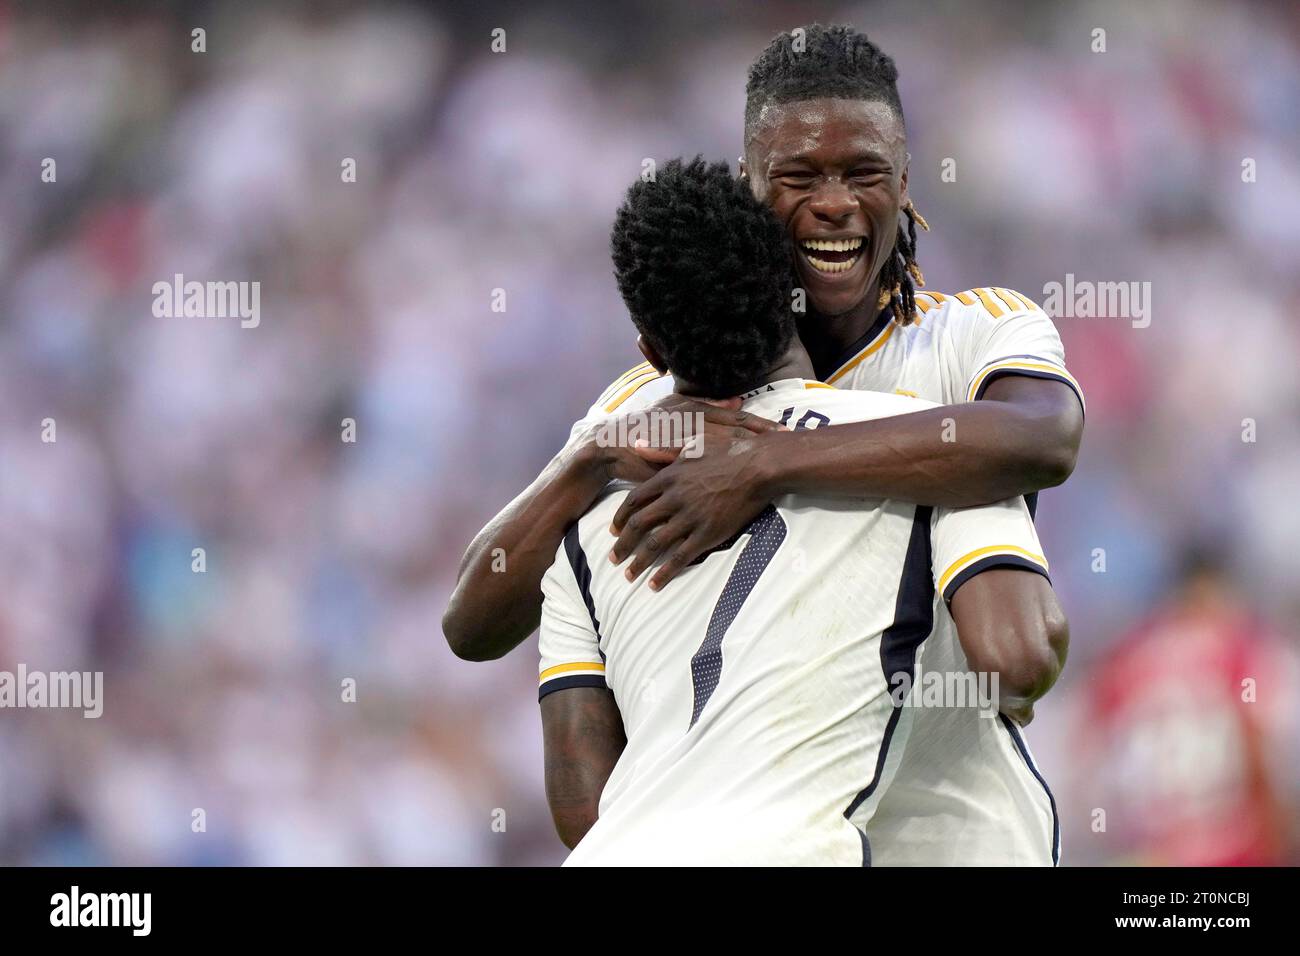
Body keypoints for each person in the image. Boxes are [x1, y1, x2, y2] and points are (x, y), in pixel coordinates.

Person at [444, 23, 1084, 666]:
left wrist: (761, 465)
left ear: (905, 183)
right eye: (799, 177)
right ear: (748, 185)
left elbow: (1044, 435)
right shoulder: (654, 404)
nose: (835, 203)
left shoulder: (972, 333)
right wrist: (588, 458)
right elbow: (471, 627)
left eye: (865, 173)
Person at [539, 158, 1067, 865]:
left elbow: (582, 809)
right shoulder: (934, 445)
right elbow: (1017, 658)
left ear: (653, 352)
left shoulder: (586, 519)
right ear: (788, 286)